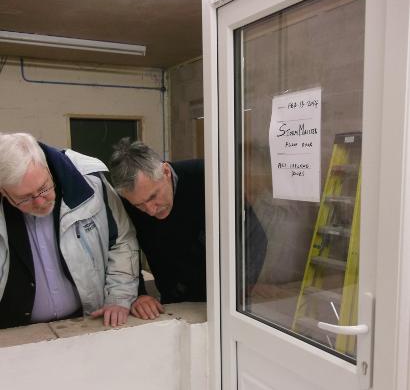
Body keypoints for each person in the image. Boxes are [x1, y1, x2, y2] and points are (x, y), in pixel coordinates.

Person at [109, 139, 267, 320]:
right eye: (140, 205)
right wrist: (139, 294)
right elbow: (127, 248)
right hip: (173, 300)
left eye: (153, 196)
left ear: (166, 172)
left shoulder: (208, 177)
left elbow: (255, 235)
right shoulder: (126, 203)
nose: (151, 210)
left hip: (229, 299)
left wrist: (244, 284)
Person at [0, 132, 139, 329]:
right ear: (3, 191)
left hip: (86, 322)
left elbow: (122, 240)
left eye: (43, 188)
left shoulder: (90, 181)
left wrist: (119, 297)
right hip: (14, 333)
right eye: (25, 198)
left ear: (47, 168)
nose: (40, 202)